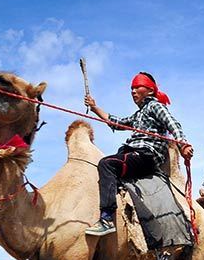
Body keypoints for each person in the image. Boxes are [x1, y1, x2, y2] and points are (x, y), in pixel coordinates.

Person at [83, 72, 194, 236]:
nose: (133, 91)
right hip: (133, 153)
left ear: (150, 90)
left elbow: (173, 124)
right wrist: (94, 108)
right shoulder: (139, 114)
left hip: (145, 155)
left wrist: (183, 144)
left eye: (137, 87)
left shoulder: (155, 106)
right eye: (131, 88)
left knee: (107, 164)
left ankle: (107, 219)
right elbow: (116, 122)